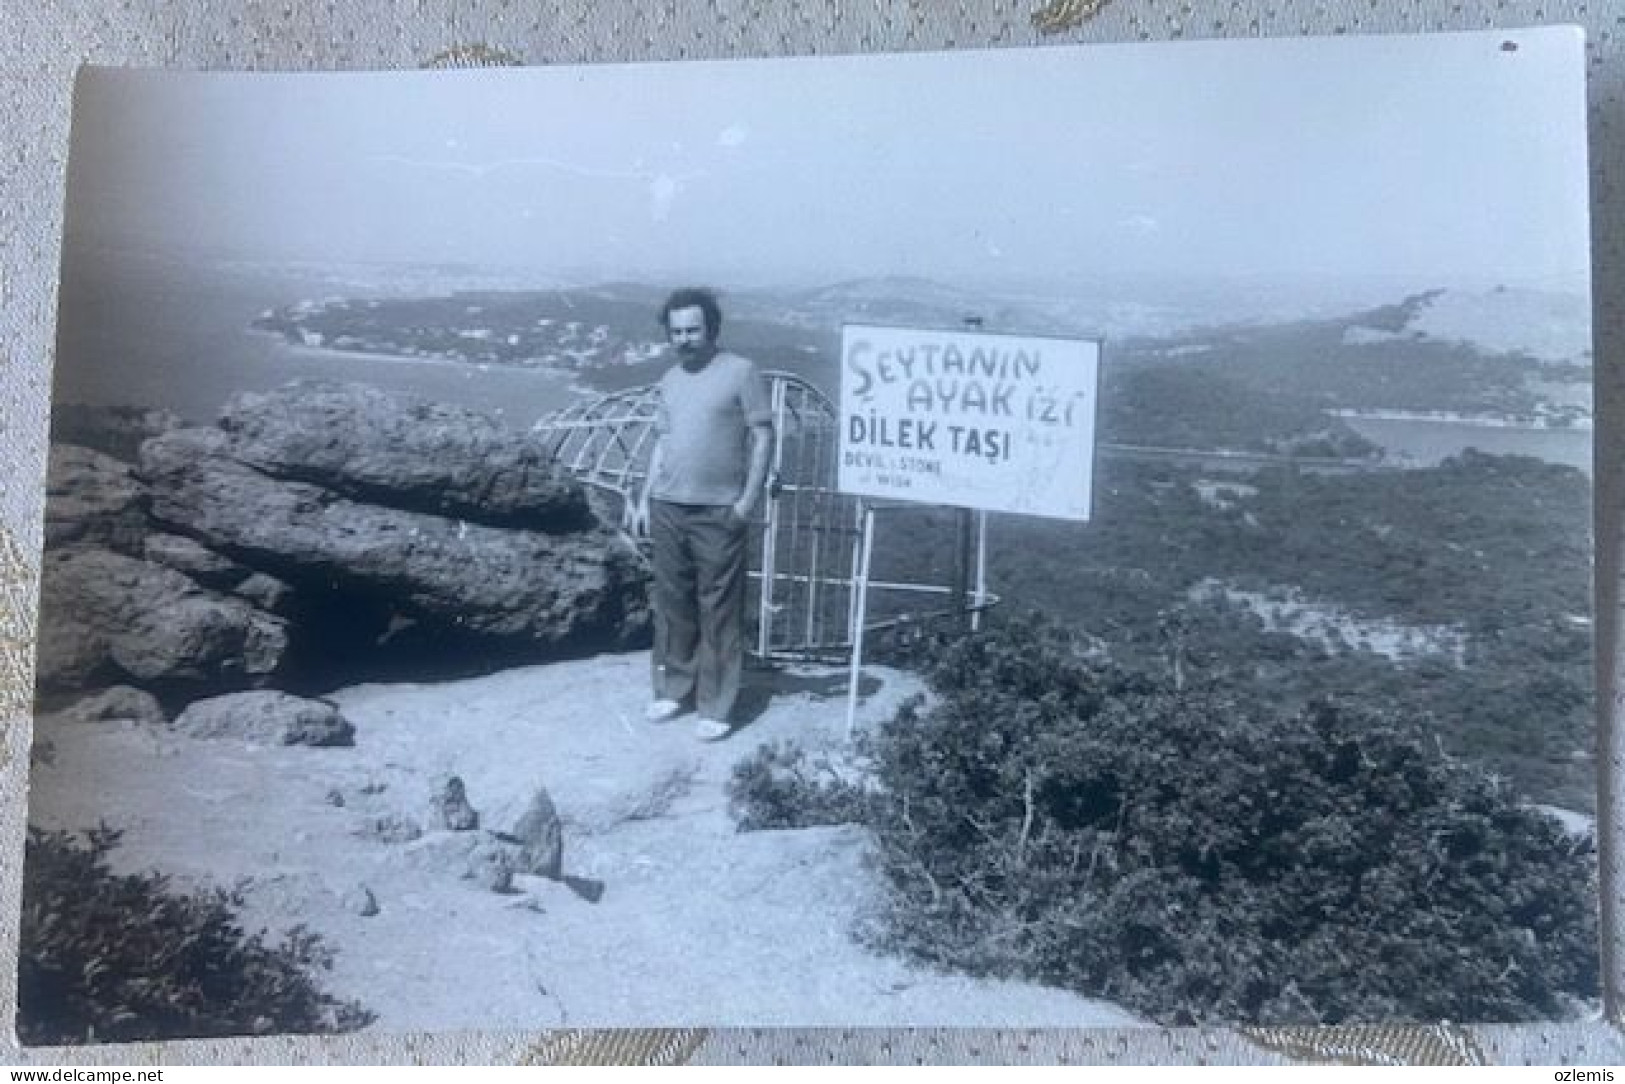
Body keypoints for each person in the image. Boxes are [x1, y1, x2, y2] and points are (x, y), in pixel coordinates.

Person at [627, 287, 773, 740]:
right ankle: (674, 688)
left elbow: (763, 438)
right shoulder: (670, 378)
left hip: (719, 509)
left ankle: (716, 705)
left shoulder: (741, 371)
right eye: (677, 332)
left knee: (720, 609)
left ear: (711, 329)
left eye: (693, 329)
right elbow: (662, 444)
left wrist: (747, 502)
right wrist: (646, 500)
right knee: (673, 603)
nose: (685, 338)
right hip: (669, 505)